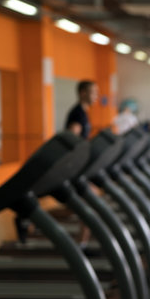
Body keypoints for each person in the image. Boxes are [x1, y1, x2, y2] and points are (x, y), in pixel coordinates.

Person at [64, 80, 98, 249]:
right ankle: (81, 243)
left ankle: (81, 241)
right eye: (93, 92)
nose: (96, 96)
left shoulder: (83, 113)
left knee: (92, 200)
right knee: (91, 200)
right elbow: (72, 137)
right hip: (77, 167)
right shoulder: (78, 113)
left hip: (81, 165)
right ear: (83, 93)